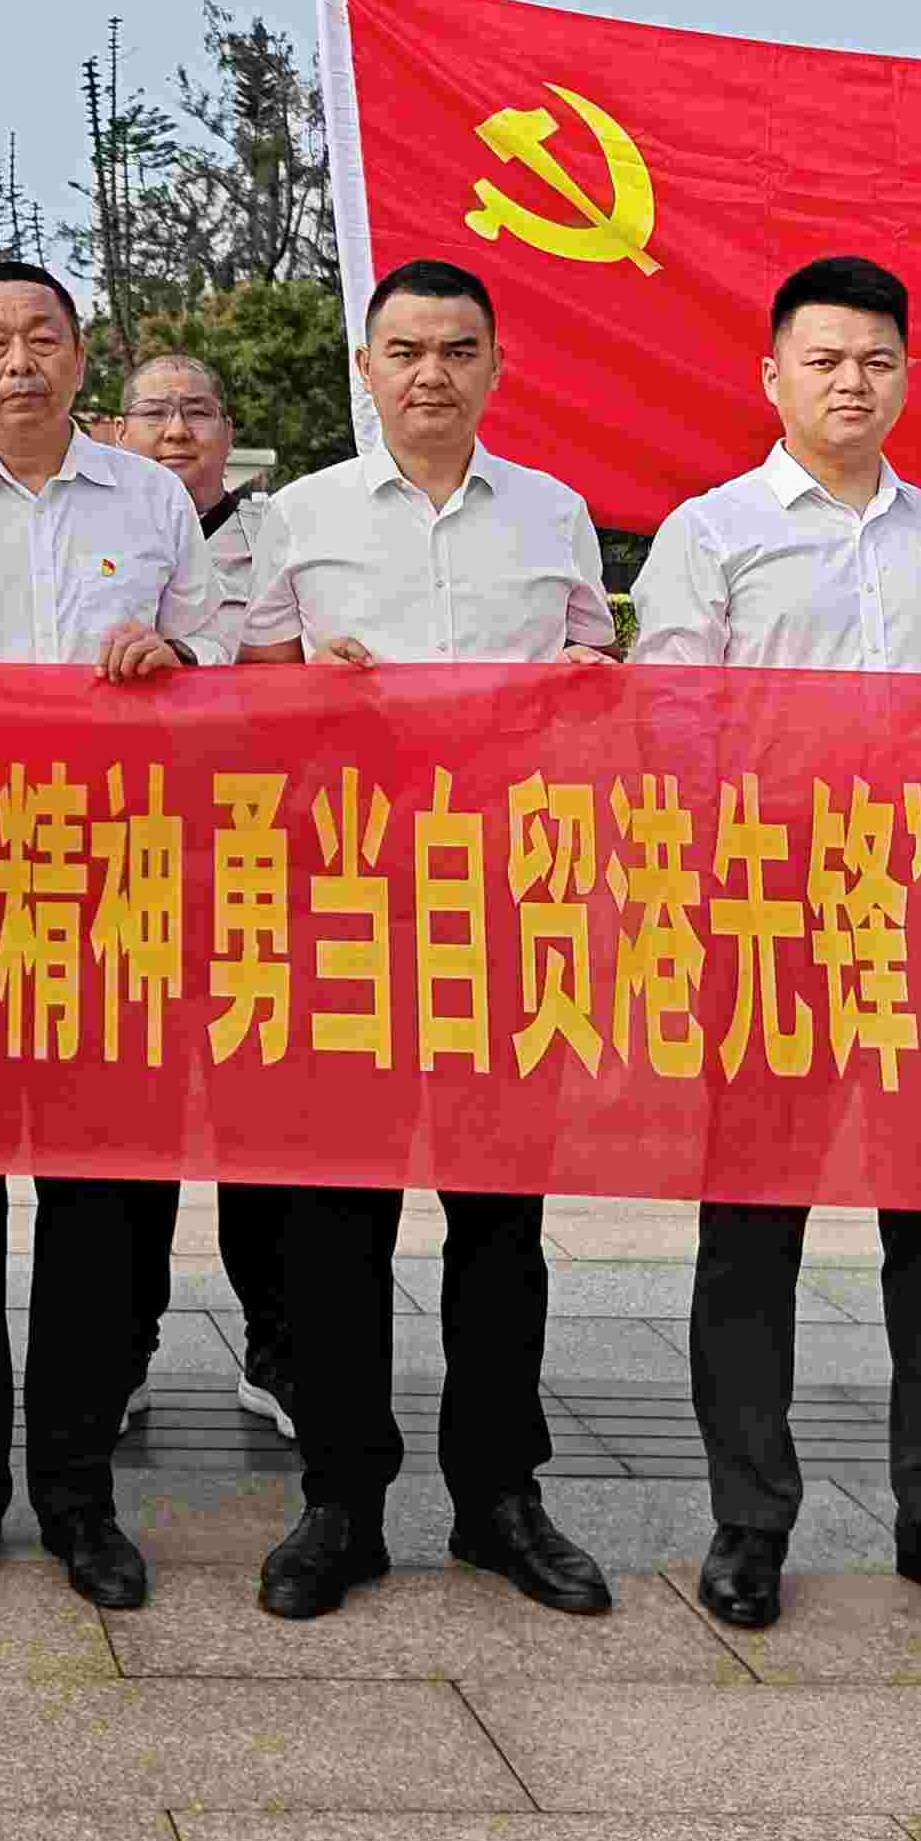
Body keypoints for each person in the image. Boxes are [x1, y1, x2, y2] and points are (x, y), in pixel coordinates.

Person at [629, 254, 921, 1643]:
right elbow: (668, 722)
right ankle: (750, 1516)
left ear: (907, 378)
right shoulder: (712, 531)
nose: (850, 383)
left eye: (875, 360)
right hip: (774, 909)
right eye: (823, 360)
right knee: (753, 1224)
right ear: (771, 376)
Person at [237, 258, 616, 1625]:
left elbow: (597, 679)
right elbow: (247, 691)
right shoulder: (302, 515)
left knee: (500, 1224)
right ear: (366, 366)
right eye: (404, 350)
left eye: (458, 349)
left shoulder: (555, 513)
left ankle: (498, 1496)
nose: (430, 374)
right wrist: (303, 687)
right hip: (349, 904)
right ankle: (341, 1499)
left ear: (496, 366)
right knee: (335, 1223)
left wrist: (583, 693)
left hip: (505, 908)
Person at [0, 259, 224, 1611]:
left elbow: (215, 662)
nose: (19, 361)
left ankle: (78, 1496)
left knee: (96, 1205)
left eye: (43, 337)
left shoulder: (150, 501)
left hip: (112, 886)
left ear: (82, 358)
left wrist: (169, 663)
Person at [109, 350, 290, 1444]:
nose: (177, 430)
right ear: (118, 430)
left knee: (260, 1124)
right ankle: (121, 1345)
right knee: (131, 1126)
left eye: (197, 410)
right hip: (128, 859)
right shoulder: (105, 531)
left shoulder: (283, 536)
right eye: (155, 412)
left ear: (228, 428)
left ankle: (275, 1344)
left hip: (259, 859)